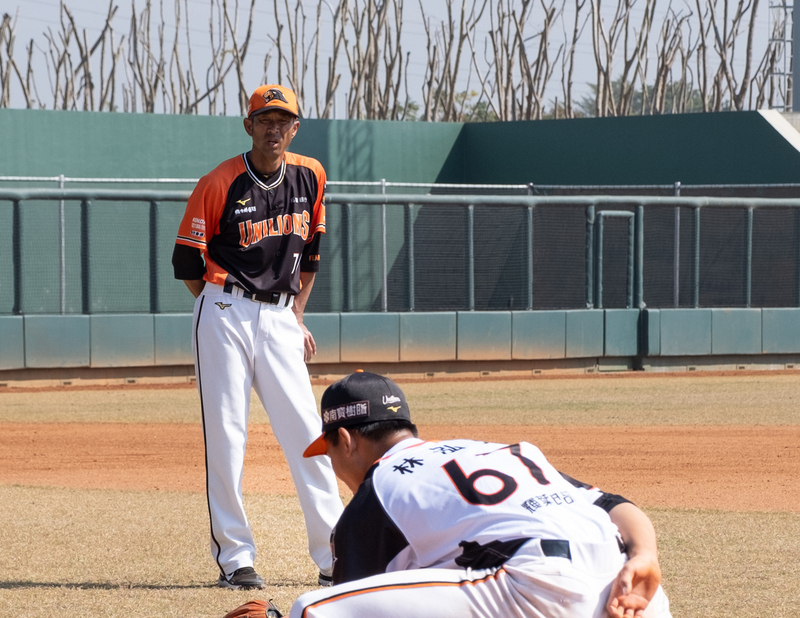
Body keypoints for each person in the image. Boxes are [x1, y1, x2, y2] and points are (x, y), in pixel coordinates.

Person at [276, 371, 671, 617]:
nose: (331, 462)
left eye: (327, 450)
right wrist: (645, 555)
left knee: (309, 610)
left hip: (539, 591)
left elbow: (355, 598)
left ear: (345, 440)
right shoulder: (499, 450)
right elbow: (614, 505)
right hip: (635, 595)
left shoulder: (378, 489)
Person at [171, 84, 343, 590]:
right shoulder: (219, 181)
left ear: (295, 128)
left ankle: (335, 555)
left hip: (281, 317)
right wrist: (217, 306)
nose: (273, 128)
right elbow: (186, 262)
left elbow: (309, 257)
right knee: (227, 437)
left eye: (282, 120)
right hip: (224, 309)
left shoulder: (311, 175)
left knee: (309, 435)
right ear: (249, 126)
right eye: (264, 120)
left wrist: (296, 315)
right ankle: (236, 557)